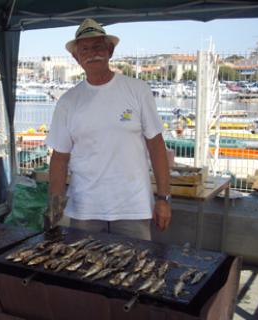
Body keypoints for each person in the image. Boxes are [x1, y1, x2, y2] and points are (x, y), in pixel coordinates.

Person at [46, 18, 171, 240]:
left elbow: (156, 145)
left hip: (133, 207)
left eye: (98, 46)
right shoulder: (67, 102)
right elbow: (59, 158)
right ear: (76, 57)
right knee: (83, 272)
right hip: (85, 209)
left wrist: (163, 199)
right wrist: (55, 204)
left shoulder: (138, 90)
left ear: (110, 50)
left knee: (135, 270)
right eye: (84, 49)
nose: (92, 53)